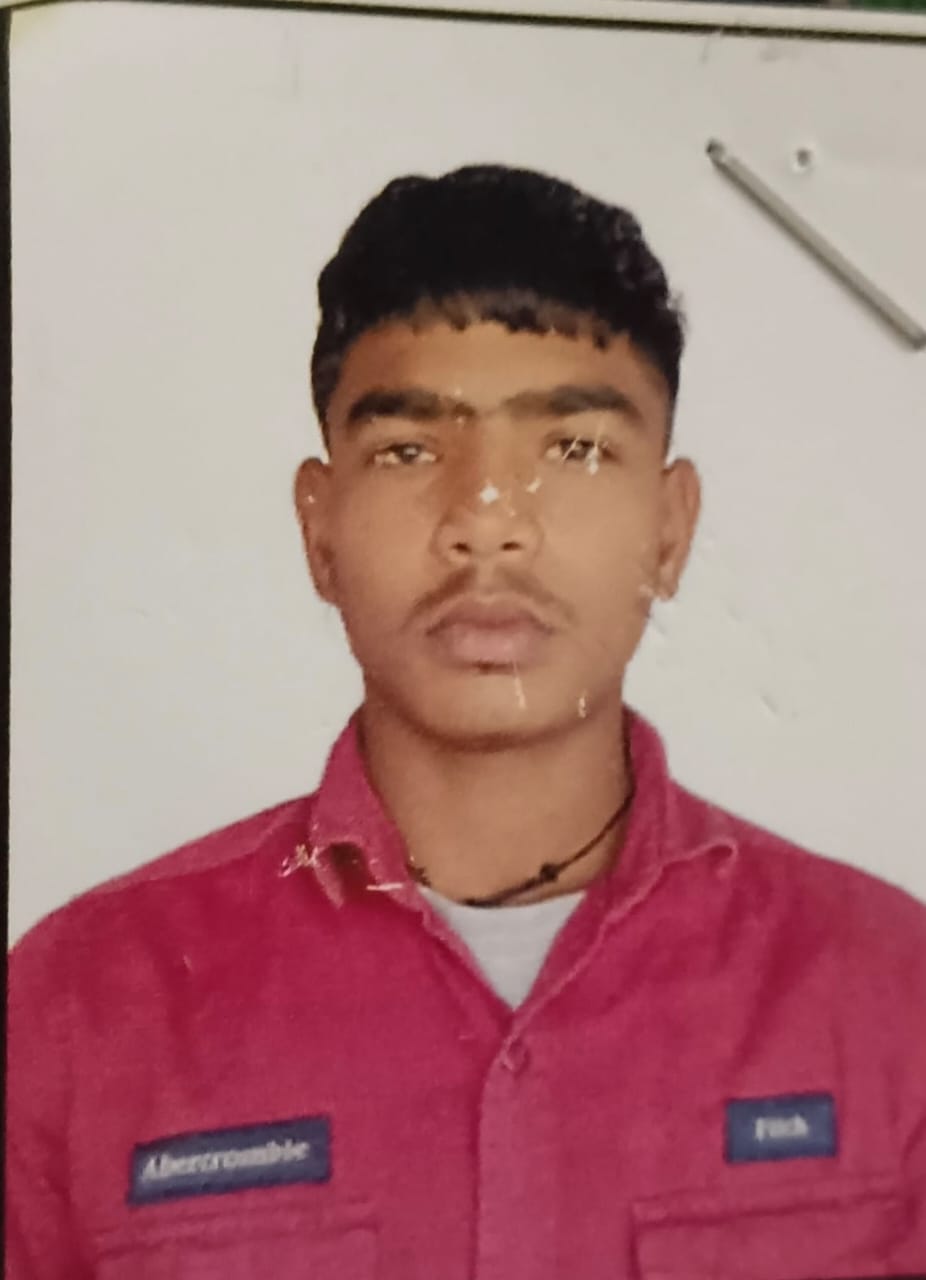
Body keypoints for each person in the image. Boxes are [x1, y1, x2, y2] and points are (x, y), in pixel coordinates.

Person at [6, 164, 926, 1280]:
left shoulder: (891, 995)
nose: (486, 523)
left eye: (573, 448)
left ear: (670, 528)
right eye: (409, 450)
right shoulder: (75, 1007)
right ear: (319, 530)